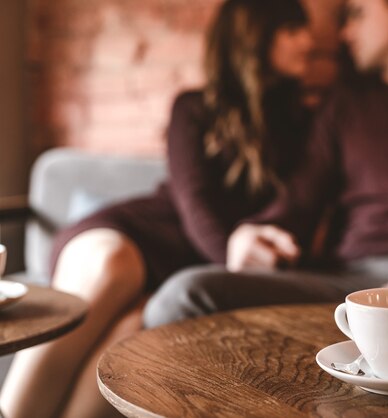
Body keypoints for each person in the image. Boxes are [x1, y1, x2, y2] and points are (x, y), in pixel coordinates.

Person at [143, 0, 388, 328]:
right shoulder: (344, 105)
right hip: (353, 281)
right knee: (184, 294)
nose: (343, 34)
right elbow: (301, 200)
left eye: (356, 14)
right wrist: (255, 234)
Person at [0, 1, 314, 417]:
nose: (308, 41)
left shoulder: (303, 125)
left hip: (172, 273)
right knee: (115, 265)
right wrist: (230, 261)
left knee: (136, 333)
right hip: (129, 233)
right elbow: (194, 204)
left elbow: (294, 208)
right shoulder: (194, 108)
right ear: (253, 36)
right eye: (292, 30)